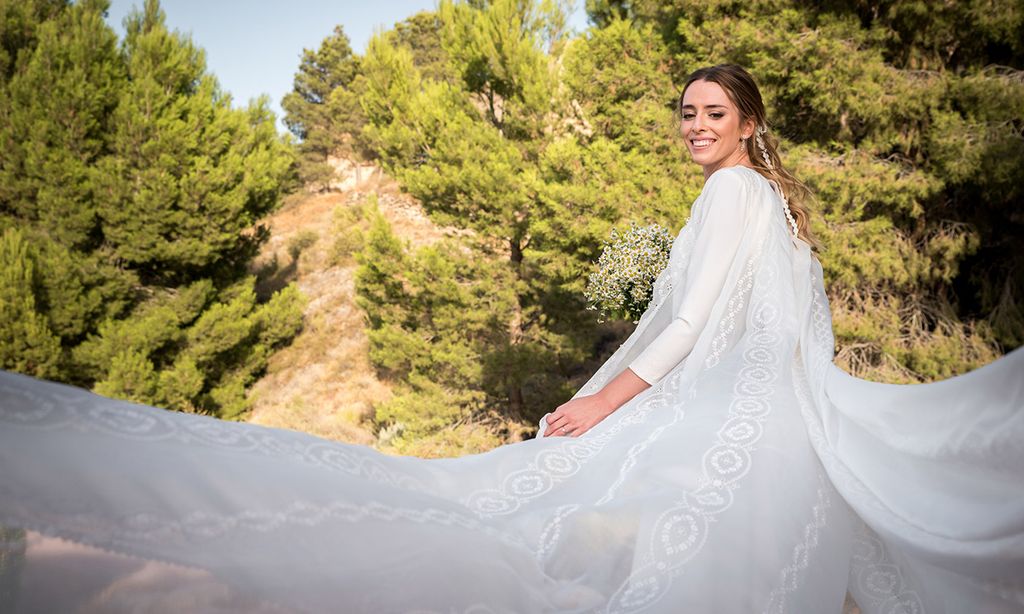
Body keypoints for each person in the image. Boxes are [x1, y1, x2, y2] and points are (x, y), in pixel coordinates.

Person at [0, 64, 1021, 613]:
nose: (693, 125)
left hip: (739, 447)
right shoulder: (777, 209)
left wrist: (600, 404)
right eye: (684, 112)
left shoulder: (730, 195)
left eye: (711, 112)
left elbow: (694, 324)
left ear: (748, 123)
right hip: (776, 445)